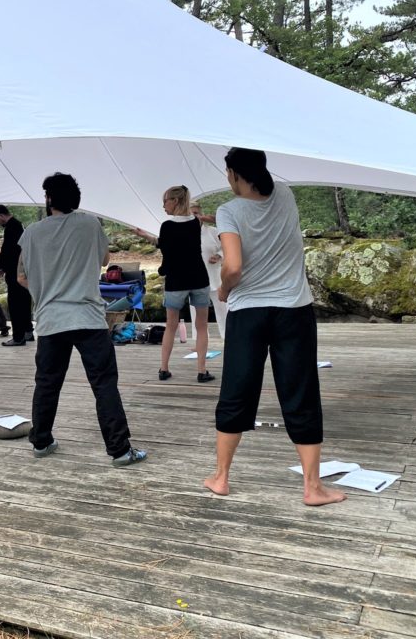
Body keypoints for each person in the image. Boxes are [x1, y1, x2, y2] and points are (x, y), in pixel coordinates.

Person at [203, 148, 346, 506]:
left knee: (237, 389)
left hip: (249, 312)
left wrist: (222, 288)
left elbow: (233, 266)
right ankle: (313, 487)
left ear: (235, 174)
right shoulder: (285, 194)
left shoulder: (228, 211)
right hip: (293, 310)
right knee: (300, 391)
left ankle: (221, 477)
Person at [18, 172, 147, 468]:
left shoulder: (31, 233)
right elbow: (104, 260)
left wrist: (46, 287)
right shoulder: (90, 224)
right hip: (88, 317)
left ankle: (41, 442)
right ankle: (120, 451)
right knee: (104, 385)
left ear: (48, 198)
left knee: (47, 384)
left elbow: (21, 276)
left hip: (51, 319)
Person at [135, 185, 214, 382]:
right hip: (199, 278)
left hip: (176, 281)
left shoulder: (167, 226)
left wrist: (162, 269)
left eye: (165, 201)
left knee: (170, 326)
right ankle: (202, 371)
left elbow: (168, 248)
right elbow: (174, 243)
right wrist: (146, 236)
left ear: (175, 201)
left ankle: (164, 368)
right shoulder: (195, 223)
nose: (163, 206)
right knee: (202, 326)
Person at [0, 204, 34, 346]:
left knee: (15, 304)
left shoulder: (11, 227)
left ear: (1, 216)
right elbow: (14, 252)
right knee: (24, 301)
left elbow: (7, 251)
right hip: (21, 270)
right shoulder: (18, 225)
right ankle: (28, 331)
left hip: (16, 274)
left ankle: (18, 337)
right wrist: (4, 267)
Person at [190, 201, 227, 341]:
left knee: (222, 308)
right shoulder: (183, 233)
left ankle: (227, 337)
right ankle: (199, 340)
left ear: (201, 214)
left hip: (215, 276)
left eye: (196, 213)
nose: (194, 216)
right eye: (190, 213)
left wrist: (219, 256)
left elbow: (226, 247)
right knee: (196, 312)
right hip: (194, 279)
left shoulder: (213, 231)